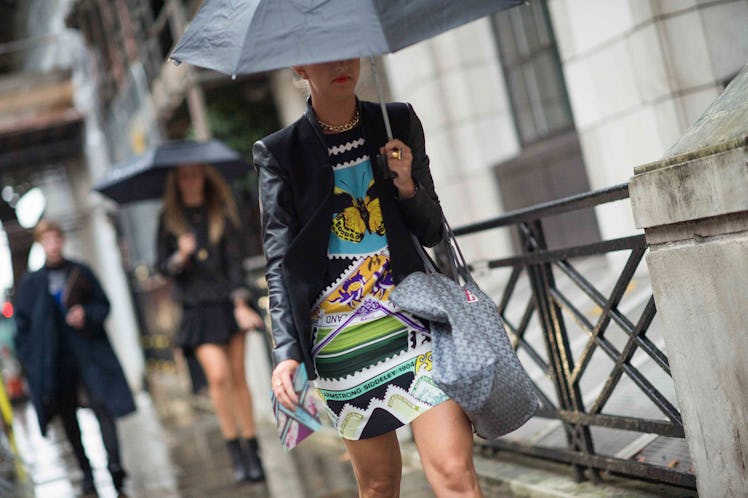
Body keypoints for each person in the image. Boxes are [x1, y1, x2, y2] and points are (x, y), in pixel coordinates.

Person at [255, 58, 483, 497]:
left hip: (418, 323)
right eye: (324, 55)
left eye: (347, 49)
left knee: (455, 473)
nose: (341, 63)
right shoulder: (281, 152)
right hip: (342, 343)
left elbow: (432, 229)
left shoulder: (395, 122)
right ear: (301, 68)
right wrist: (286, 350)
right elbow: (280, 262)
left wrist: (406, 186)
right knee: (379, 486)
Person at [156, 163, 266, 483]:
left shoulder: (222, 213)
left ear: (205, 177)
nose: (191, 180)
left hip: (228, 305)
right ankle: (235, 451)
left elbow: (235, 265)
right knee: (218, 378)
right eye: (185, 176)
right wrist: (180, 255)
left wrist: (241, 303)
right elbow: (162, 268)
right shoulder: (169, 221)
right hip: (196, 310)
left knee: (238, 377)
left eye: (195, 174)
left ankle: (253, 450)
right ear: (176, 182)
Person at [14, 220, 135, 496]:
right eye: (47, 241)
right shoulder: (32, 283)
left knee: (103, 407)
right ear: (41, 243)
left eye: (57, 239)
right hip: (56, 363)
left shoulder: (80, 272)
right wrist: (32, 359)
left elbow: (104, 305)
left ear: (62, 240)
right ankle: (87, 473)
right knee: (68, 417)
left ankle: (115, 467)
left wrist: (86, 315)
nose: (53, 246)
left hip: (89, 355)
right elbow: (23, 328)